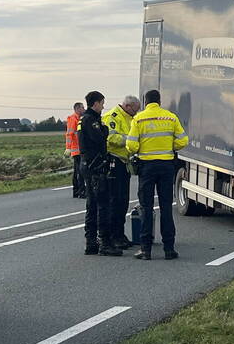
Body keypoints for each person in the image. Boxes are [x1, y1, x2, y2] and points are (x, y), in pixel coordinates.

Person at [126, 89, 188, 260]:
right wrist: (170, 147)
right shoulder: (170, 117)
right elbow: (183, 140)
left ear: (145, 102)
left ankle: (146, 250)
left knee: (146, 207)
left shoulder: (139, 118)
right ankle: (169, 249)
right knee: (166, 207)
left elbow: (131, 145)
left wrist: (141, 149)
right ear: (159, 101)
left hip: (146, 167)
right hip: (167, 165)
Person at [77, 91, 122, 256]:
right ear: (95, 103)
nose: (103, 106)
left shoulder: (83, 119)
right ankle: (105, 243)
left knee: (92, 205)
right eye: (102, 103)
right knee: (102, 205)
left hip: (87, 165)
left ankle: (91, 242)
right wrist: (104, 129)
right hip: (95, 167)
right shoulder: (91, 120)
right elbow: (100, 137)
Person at [102, 95, 141, 248]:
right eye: (135, 110)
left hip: (124, 162)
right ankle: (114, 236)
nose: (136, 113)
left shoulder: (130, 118)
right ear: (128, 106)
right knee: (115, 201)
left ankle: (120, 234)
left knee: (123, 201)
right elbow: (111, 138)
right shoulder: (113, 116)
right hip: (114, 161)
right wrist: (130, 139)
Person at [66, 102, 84, 198]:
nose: (84, 109)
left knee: (77, 171)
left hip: (78, 149)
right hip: (76, 149)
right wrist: (68, 147)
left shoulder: (78, 119)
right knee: (80, 172)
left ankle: (77, 191)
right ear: (77, 109)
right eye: (82, 108)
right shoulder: (73, 119)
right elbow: (69, 134)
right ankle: (81, 191)